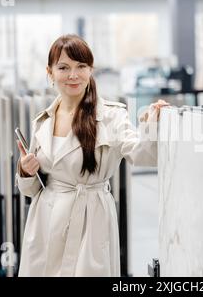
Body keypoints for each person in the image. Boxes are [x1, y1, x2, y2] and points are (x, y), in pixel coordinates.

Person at [15, 34, 169, 277]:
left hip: (90, 219)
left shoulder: (111, 116)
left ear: (90, 70)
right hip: (44, 221)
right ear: (50, 72)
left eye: (81, 67)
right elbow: (32, 190)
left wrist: (152, 124)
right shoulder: (42, 122)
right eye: (64, 67)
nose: (73, 75)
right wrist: (25, 170)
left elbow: (144, 156)